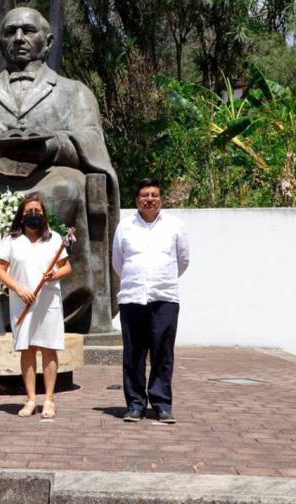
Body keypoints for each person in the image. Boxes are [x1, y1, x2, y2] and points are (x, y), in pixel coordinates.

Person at [0, 6, 120, 333]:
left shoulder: (73, 91)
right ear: (0, 42)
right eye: (10, 32)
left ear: (47, 42)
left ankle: (63, 309)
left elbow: (92, 141)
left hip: (52, 175)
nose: (19, 38)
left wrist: (52, 145)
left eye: (28, 31)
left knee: (69, 189)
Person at [111, 178, 190, 424]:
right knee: (133, 354)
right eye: (145, 195)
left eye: (154, 195)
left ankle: (162, 404)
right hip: (132, 298)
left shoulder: (175, 226)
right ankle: (135, 404)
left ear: (161, 199)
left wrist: (161, 279)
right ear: (136, 200)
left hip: (164, 298)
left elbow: (183, 260)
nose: (150, 199)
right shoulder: (125, 227)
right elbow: (118, 262)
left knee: (162, 353)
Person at [0, 194, 72, 419]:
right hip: (22, 302)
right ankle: (30, 400)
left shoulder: (55, 238)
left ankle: (49, 399)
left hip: (48, 302)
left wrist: (54, 274)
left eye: (38, 211)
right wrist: (18, 289)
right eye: (29, 211)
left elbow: (66, 267)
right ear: (21, 215)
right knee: (27, 349)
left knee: (49, 348)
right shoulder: (10, 240)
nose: (34, 215)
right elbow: (0, 270)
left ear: (44, 214)